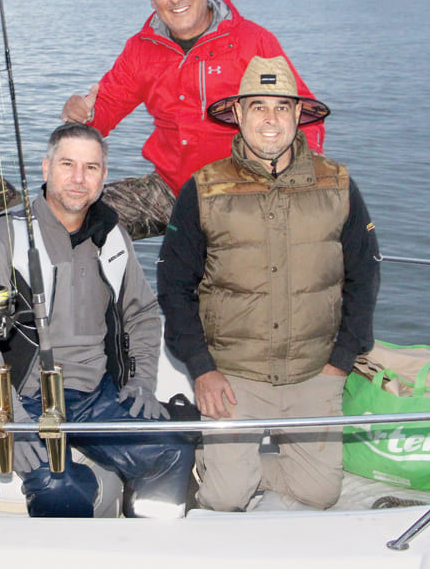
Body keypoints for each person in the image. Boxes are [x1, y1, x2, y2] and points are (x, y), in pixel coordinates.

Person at [158, 55, 379, 512]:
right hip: (234, 373)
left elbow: (365, 277)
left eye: (282, 106)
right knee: (224, 498)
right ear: (238, 114)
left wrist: (340, 360)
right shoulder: (203, 189)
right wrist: (202, 367)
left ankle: (240, 461)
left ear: (299, 114)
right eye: (258, 106)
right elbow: (174, 287)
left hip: (314, 370)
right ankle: (210, 459)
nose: (271, 119)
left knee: (321, 493)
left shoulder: (338, 185)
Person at [0, 122, 193, 518]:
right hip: (24, 395)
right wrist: (8, 418)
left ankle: (147, 543)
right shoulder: (3, 239)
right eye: (67, 164)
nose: (79, 178)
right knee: (55, 484)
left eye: (92, 167)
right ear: (46, 168)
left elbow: (143, 315)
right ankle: (89, 511)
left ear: (104, 177)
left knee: (171, 451)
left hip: (94, 392)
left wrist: (141, 381)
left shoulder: (114, 237)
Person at [61, 0, 325, 238]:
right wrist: (85, 113)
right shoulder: (140, 48)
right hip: (170, 190)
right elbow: (106, 107)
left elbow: (304, 115)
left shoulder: (253, 42)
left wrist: (295, 176)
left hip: (242, 195)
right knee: (69, 215)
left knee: (219, 273)